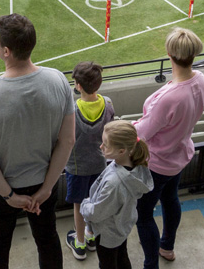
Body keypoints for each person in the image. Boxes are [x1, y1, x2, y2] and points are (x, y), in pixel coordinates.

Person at [0, 14, 76, 269]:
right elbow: (68, 140)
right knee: (48, 241)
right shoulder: (58, 80)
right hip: (44, 184)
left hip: (0, 191)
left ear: (6, 51)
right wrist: (46, 189)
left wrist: (9, 195)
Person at [132, 28, 204, 269]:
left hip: (157, 163)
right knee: (170, 199)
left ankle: (151, 264)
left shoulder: (169, 98)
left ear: (169, 54)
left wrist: (126, 127)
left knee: (143, 215)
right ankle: (167, 246)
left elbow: (142, 132)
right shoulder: (200, 79)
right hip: (178, 157)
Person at [81, 121, 154, 269]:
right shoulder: (135, 165)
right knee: (121, 256)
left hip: (107, 232)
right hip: (122, 226)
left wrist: (84, 205)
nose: (101, 146)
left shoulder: (114, 184)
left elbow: (97, 213)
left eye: (105, 144)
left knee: (107, 263)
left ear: (121, 151)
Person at [65, 61, 116, 260]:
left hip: (77, 167)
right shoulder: (108, 104)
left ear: (78, 85)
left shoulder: (71, 110)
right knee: (94, 202)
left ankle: (79, 244)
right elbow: (111, 130)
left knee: (79, 204)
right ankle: (91, 236)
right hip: (100, 165)